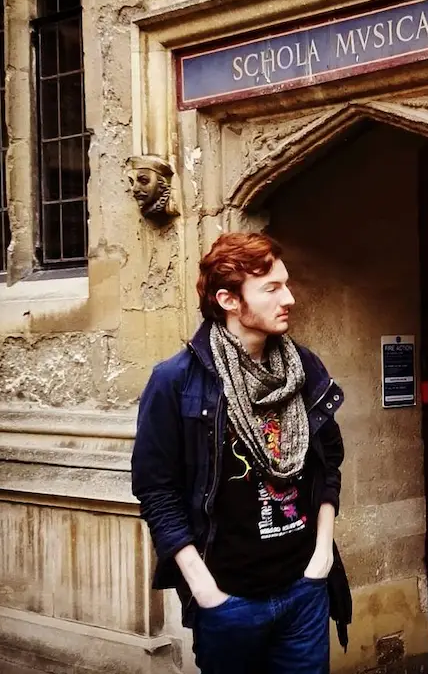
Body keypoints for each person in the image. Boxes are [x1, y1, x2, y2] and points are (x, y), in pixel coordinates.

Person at [131, 232, 351, 673]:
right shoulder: (176, 381)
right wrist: (205, 588)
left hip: (303, 590)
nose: (288, 297)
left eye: (285, 284)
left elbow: (329, 462)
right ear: (229, 300)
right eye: (271, 288)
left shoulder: (304, 367)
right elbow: (157, 491)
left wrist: (321, 557)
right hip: (228, 601)